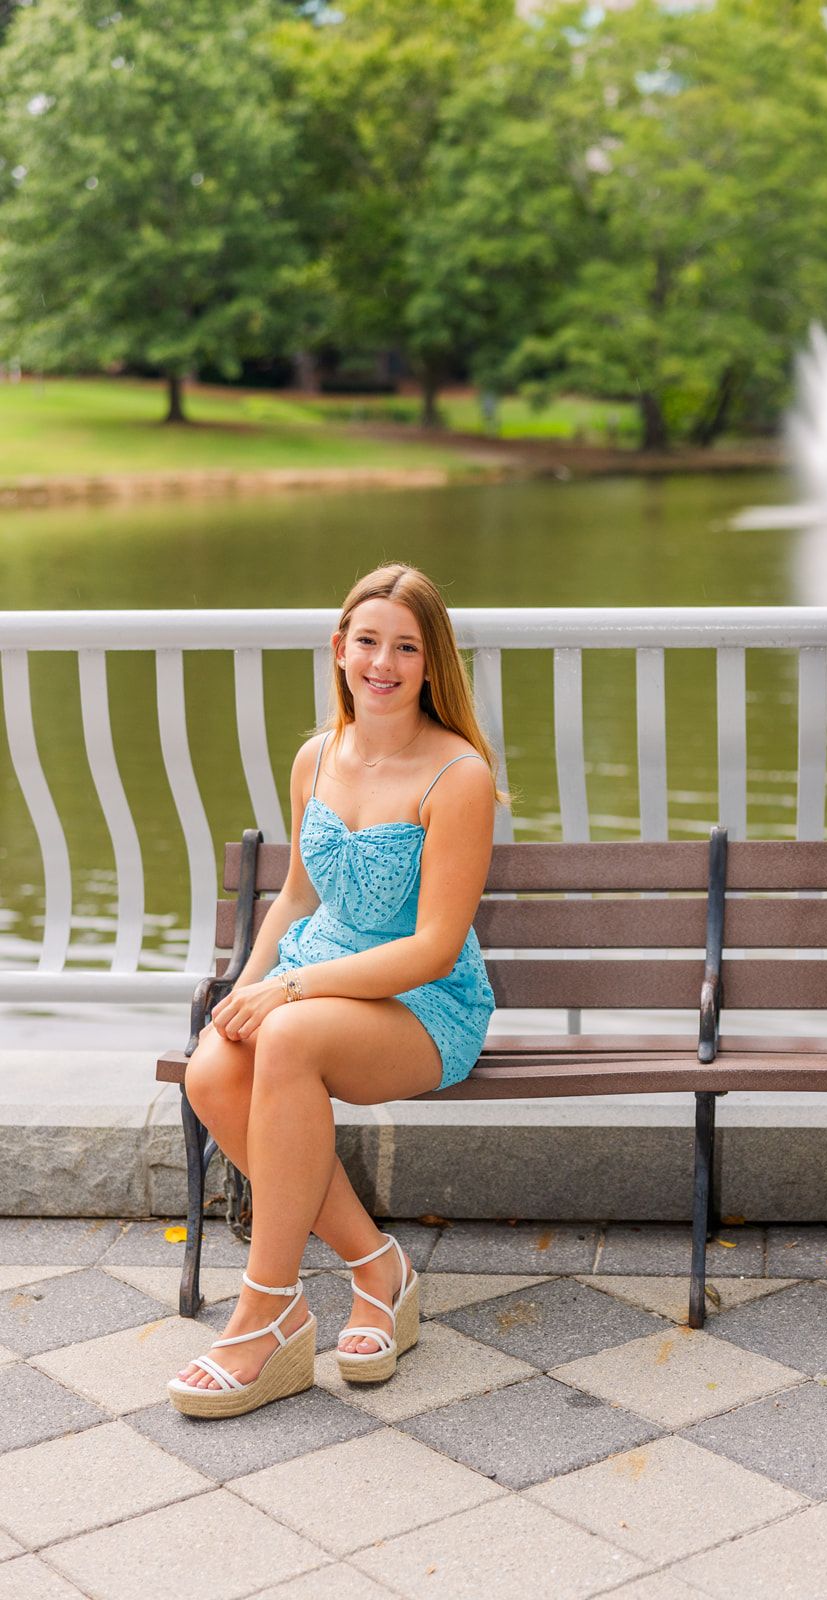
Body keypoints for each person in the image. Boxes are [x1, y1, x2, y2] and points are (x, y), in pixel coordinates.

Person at [168, 563, 500, 1417]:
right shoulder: (315, 757)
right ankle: (377, 1269)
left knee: (287, 1038)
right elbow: (297, 896)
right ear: (338, 648)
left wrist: (289, 995)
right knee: (213, 1072)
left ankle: (267, 1311)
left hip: (422, 1004)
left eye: (405, 647)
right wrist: (240, 996)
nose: (381, 663)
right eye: (367, 642)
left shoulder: (456, 774)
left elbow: (430, 948)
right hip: (310, 980)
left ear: (433, 664)